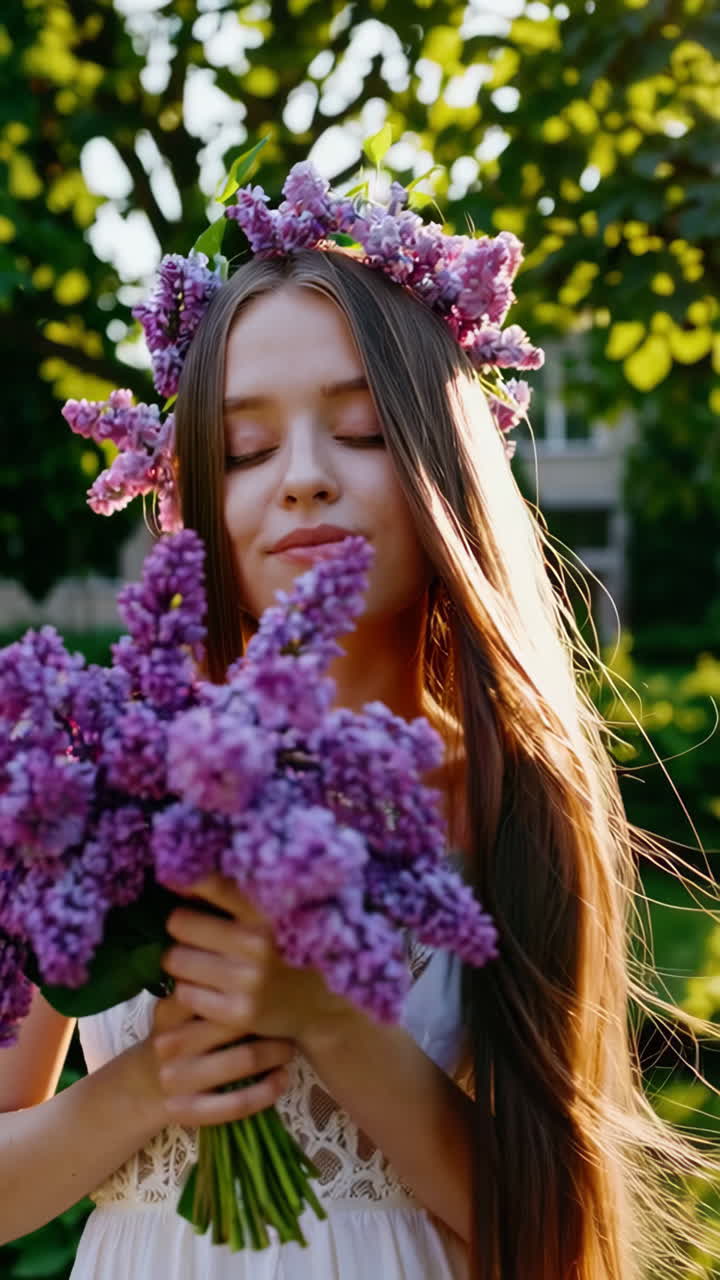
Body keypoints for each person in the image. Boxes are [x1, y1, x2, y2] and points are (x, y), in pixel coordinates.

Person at [1, 170, 719, 1280]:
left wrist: (329, 1020)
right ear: (195, 481)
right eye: (244, 450)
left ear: (442, 462)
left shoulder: (511, 790)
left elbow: (555, 1229)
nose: (300, 481)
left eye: (359, 429)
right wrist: (148, 1084)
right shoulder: (100, 777)